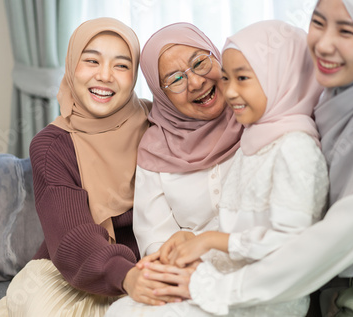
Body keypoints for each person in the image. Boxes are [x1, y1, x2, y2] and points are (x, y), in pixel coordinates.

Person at [149, 1, 353, 316]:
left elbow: (333, 239)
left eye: (347, 30)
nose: (324, 44)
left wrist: (211, 284)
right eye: (318, 23)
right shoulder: (330, 104)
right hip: (331, 291)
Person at [0, 17, 165, 317]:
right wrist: (127, 276)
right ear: (71, 65)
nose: (105, 75)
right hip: (67, 275)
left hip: (146, 270)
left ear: (135, 75)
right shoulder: (52, 145)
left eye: (121, 65)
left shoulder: (158, 124)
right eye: (91, 60)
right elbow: (72, 236)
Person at [164, 20, 328, 317]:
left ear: (281, 77)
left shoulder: (295, 148)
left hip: (266, 298)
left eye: (243, 78)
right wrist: (194, 239)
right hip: (231, 282)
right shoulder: (254, 139)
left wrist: (211, 241)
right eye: (226, 79)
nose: (229, 92)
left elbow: (292, 246)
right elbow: (241, 224)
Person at [104, 22, 243, 316]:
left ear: (217, 57)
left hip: (257, 270)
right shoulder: (155, 149)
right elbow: (154, 239)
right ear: (160, 93)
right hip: (186, 275)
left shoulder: (255, 119)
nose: (195, 82)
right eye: (176, 79)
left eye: (199, 63)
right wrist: (178, 262)